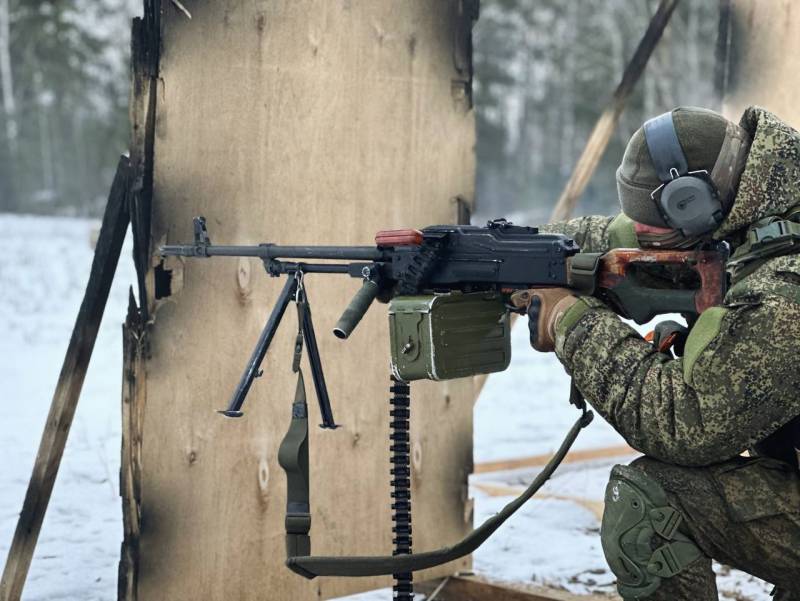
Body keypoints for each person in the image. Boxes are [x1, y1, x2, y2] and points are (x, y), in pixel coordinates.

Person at [519, 106, 800, 600]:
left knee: (652, 504)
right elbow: (618, 237)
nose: (640, 230)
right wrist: (516, 253)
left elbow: (684, 423)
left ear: (692, 204)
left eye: (653, 220)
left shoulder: (784, 291)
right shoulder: (766, 210)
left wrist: (572, 323)